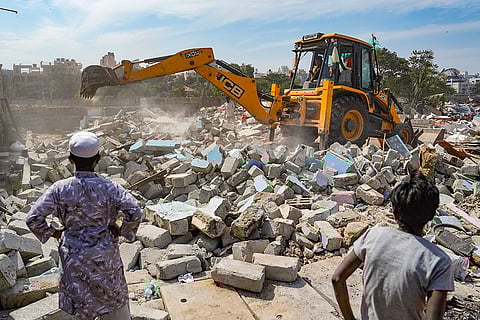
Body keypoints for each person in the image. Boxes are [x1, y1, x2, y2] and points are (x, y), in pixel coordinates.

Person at [26, 131, 143, 320]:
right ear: (98, 158)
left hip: (74, 259)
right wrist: (122, 231)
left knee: (79, 306)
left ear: (70, 159)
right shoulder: (110, 187)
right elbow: (135, 211)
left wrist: (54, 233)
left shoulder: (59, 189)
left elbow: (33, 218)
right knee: (113, 304)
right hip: (105, 258)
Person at [331, 170, 453, 320]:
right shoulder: (438, 261)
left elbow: (337, 278)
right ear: (432, 216)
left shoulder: (373, 236)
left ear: (395, 213)